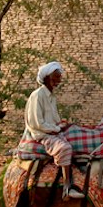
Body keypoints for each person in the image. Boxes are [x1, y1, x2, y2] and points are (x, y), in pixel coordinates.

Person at [22, 60, 82, 197]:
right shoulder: (37, 96)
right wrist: (56, 128)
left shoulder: (51, 97)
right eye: (57, 76)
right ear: (48, 78)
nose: (59, 80)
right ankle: (67, 187)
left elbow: (53, 119)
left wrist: (61, 124)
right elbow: (37, 123)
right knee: (65, 148)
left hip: (53, 132)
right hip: (43, 135)